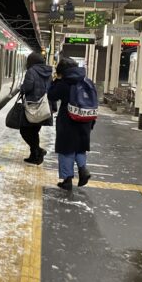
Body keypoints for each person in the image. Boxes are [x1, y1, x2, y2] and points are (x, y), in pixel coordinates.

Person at [48, 57, 93, 191]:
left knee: (66, 149)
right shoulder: (86, 80)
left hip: (68, 120)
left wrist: (56, 80)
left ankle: (67, 180)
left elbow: (51, 95)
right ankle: (83, 170)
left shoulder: (65, 83)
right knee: (79, 147)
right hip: (85, 120)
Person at [20, 52, 53, 165]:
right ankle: (34, 156)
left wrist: (22, 88)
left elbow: (28, 87)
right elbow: (51, 89)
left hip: (32, 106)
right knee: (34, 131)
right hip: (44, 107)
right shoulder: (49, 72)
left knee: (24, 130)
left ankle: (38, 151)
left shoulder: (31, 71)